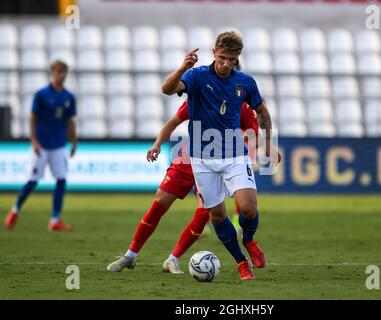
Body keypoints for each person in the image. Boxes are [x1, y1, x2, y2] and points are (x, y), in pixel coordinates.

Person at [160, 31, 276, 280]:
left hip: (234, 155)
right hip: (201, 159)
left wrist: (268, 142)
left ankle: (249, 239)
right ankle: (241, 263)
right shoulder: (197, 75)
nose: (225, 64)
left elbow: (261, 111)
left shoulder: (245, 82)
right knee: (217, 216)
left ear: (237, 58)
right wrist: (182, 68)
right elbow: (167, 89)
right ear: (214, 53)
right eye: (222, 57)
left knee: (248, 208)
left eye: (230, 59)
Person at [107, 99, 262, 273]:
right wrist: (157, 143)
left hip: (219, 163)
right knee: (160, 203)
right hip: (188, 159)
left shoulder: (240, 104)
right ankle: (130, 255)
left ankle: (173, 259)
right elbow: (173, 122)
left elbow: (253, 133)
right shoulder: (200, 93)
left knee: (204, 214)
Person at [4, 60, 77, 231]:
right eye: (59, 72)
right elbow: (32, 118)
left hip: (59, 145)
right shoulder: (42, 95)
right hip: (42, 145)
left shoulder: (69, 97)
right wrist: (34, 140)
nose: (62, 75)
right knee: (33, 180)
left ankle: (55, 220)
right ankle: (15, 210)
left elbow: (70, 121)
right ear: (52, 73)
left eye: (64, 72)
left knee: (61, 179)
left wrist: (74, 141)